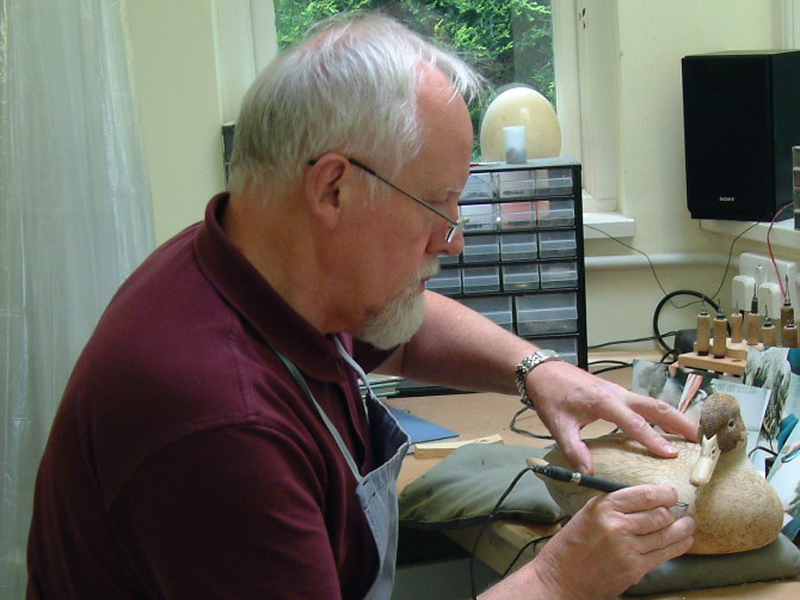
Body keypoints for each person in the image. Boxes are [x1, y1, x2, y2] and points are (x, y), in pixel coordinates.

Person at [27, 12, 697, 600]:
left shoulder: (262, 268)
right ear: (334, 190)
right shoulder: (221, 423)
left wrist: (540, 370)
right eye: (438, 203)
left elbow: (402, 331)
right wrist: (556, 581)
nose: (455, 240)